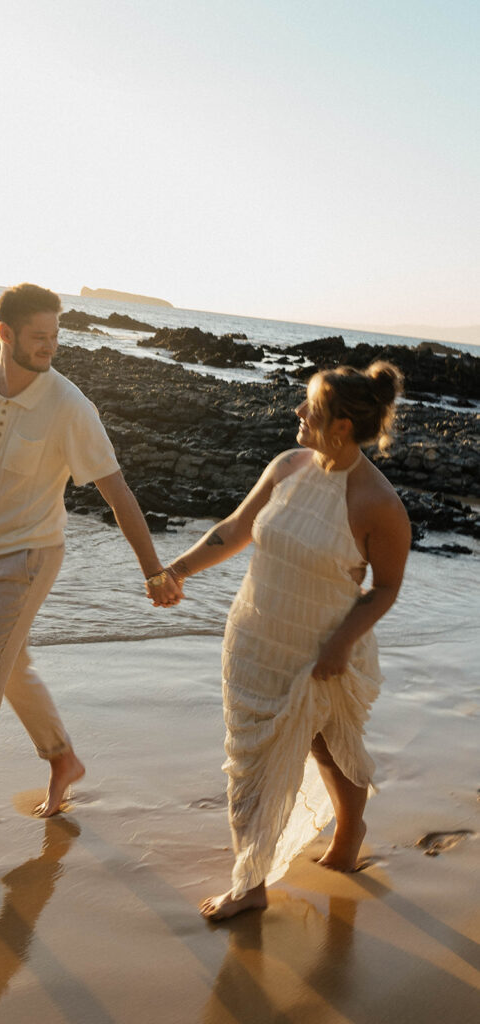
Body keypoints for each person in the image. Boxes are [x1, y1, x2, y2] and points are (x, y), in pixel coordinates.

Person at [0, 282, 181, 859]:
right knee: (10, 666)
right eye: (39, 337)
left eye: (55, 336)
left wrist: (153, 572)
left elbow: (116, 489)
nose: (50, 347)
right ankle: (63, 758)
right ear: (5, 333)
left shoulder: (69, 405)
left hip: (31, 557)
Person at [151, 361, 410, 920]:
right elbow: (234, 530)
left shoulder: (379, 504)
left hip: (325, 645)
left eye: (309, 407)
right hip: (255, 636)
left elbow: (386, 588)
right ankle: (258, 869)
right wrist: (176, 570)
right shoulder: (288, 465)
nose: (297, 412)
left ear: (340, 425)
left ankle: (290, 863)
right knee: (247, 756)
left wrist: (340, 644)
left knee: (329, 742)